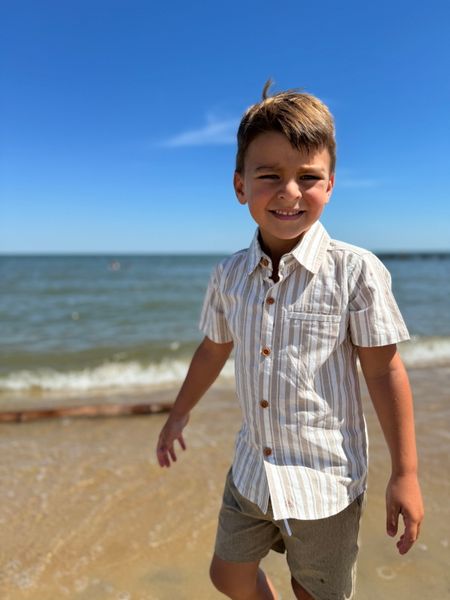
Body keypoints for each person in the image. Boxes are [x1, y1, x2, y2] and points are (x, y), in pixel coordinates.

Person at [156, 80, 424, 600]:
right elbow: (214, 348)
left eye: (308, 176)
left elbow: (384, 370)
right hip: (254, 468)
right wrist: (178, 413)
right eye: (270, 175)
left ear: (330, 184)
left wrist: (405, 473)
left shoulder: (355, 272)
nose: (289, 191)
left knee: (315, 591)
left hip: (326, 481)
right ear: (240, 187)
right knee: (226, 575)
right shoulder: (229, 275)